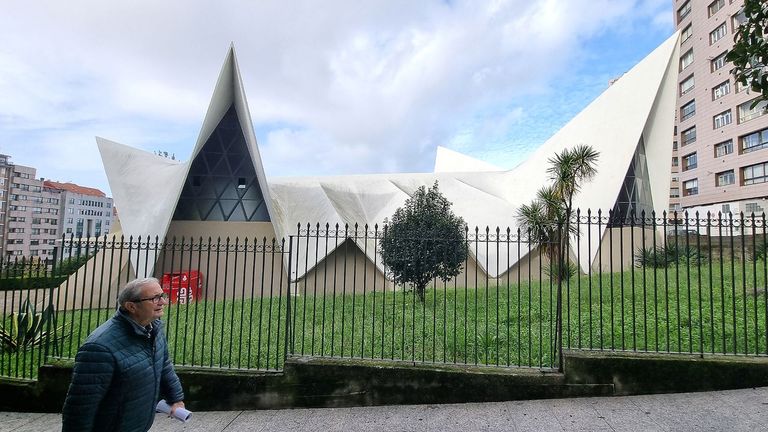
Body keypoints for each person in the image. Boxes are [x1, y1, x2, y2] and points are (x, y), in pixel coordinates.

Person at [62, 277, 185, 432]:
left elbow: (164, 364)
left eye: (162, 295)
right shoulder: (99, 347)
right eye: (155, 298)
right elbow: (80, 407)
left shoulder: (153, 329)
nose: (163, 302)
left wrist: (176, 398)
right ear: (131, 306)